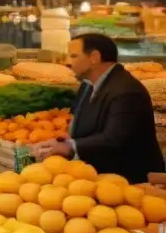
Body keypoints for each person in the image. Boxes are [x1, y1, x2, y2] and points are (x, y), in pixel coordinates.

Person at [32, 34, 164, 183]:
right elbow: (88, 128)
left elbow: (113, 139)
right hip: (98, 175)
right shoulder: (88, 85)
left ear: (94, 57)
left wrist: (70, 147)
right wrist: (61, 141)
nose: (67, 62)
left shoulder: (126, 91)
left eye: (74, 56)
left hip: (132, 181)